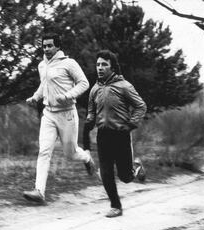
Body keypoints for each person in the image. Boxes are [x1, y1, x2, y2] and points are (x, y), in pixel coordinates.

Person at [23, 33, 98, 204]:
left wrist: (68, 95)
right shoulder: (42, 65)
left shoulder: (69, 63)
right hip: (49, 114)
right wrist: (35, 97)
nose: (47, 49)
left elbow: (83, 83)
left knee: (70, 154)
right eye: (44, 46)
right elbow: (44, 84)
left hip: (67, 113)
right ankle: (39, 191)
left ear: (57, 47)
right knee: (44, 151)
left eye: (50, 45)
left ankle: (86, 157)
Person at [85, 50, 147, 218]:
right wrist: (90, 120)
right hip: (103, 136)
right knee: (105, 173)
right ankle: (116, 206)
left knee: (125, 177)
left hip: (121, 135)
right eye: (98, 64)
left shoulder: (124, 86)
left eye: (104, 64)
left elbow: (141, 106)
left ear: (112, 67)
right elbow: (91, 111)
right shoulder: (94, 89)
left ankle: (137, 165)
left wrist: (131, 124)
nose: (100, 67)